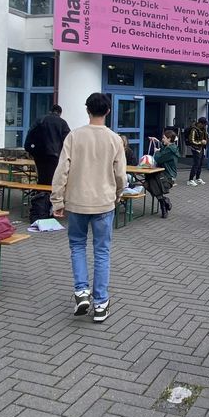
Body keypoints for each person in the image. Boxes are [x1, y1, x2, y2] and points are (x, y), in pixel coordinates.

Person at [51, 93, 126, 320]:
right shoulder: (114, 139)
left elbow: (61, 170)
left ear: (87, 110)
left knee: (77, 246)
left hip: (77, 202)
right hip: (104, 202)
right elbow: (121, 175)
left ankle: (82, 291)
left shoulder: (74, 137)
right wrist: (118, 194)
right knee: (102, 251)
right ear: (108, 111)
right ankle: (101, 303)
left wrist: (57, 200)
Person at [24, 104, 71, 185]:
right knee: (53, 177)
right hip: (55, 155)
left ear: (50, 111)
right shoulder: (62, 123)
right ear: (60, 113)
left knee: (42, 176)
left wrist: (30, 149)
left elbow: (30, 133)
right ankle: (49, 195)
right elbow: (68, 140)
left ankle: (41, 194)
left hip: (39, 154)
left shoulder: (40, 119)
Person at [145, 129, 179, 218]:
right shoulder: (170, 147)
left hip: (168, 177)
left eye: (164, 138)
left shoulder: (170, 151)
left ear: (169, 139)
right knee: (147, 181)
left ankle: (163, 204)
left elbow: (159, 158)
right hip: (162, 174)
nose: (162, 139)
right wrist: (157, 141)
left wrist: (156, 152)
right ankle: (164, 202)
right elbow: (163, 149)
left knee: (149, 182)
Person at [186, 117, 209, 186]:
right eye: (204, 124)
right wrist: (201, 142)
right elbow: (192, 141)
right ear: (200, 123)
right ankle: (190, 180)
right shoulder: (193, 130)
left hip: (201, 148)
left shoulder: (203, 129)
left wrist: (208, 139)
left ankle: (198, 178)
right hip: (195, 148)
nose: (205, 125)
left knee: (200, 163)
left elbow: (206, 135)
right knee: (196, 164)